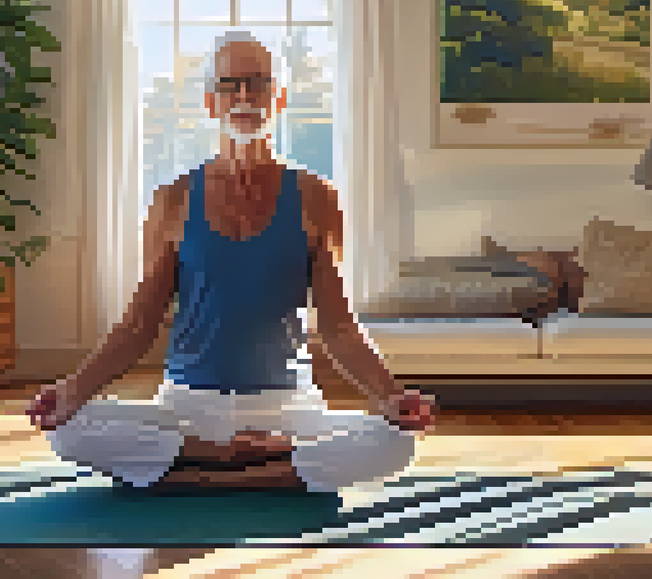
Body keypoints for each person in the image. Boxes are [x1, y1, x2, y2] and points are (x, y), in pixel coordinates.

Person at [26, 31, 436, 492]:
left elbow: (339, 327)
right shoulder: (173, 199)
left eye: (259, 83)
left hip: (288, 408)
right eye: (230, 85)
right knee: (68, 427)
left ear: (279, 98)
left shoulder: (317, 198)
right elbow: (141, 324)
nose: (244, 96)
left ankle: (201, 477)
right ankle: (250, 464)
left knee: (395, 443)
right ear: (210, 102)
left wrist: (391, 397)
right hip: (188, 407)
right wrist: (72, 391)